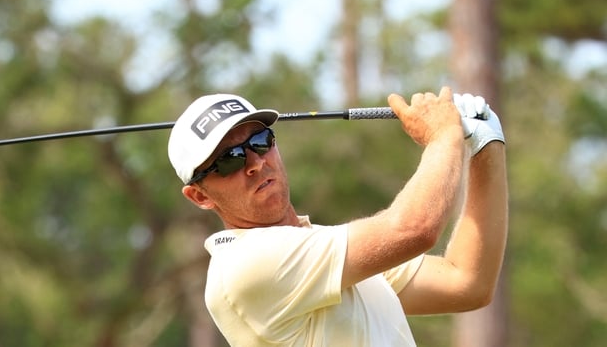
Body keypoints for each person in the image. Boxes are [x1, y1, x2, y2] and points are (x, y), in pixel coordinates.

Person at [167, 87, 508, 346]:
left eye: (260, 140)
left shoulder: (322, 252)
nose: (255, 163)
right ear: (200, 196)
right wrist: (443, 136)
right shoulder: (244, 264)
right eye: (230, 160)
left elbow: (467, 282)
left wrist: (484, 145)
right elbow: (414, 228)